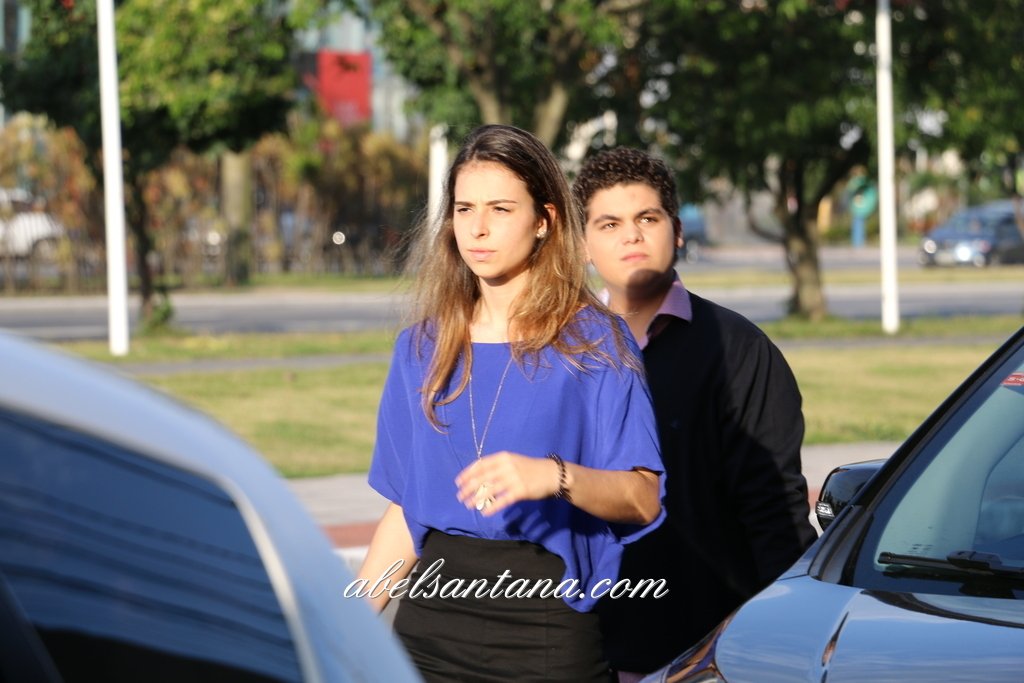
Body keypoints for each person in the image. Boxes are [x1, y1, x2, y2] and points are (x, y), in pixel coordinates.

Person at [356, 125, 665, 683]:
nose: (477, 228)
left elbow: (643, 498)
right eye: (464, 209)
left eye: (500, 209)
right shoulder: (420, 347)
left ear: (544, 220)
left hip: (544, 631)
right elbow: (406, 509)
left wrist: (555, 477)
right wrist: (345, 628)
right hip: (428, 631)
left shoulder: (595, 343)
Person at [572, 147, 818, 680]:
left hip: (704, 654)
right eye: (609, 224)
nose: (631, 236)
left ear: (678, 231)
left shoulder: (739, 350)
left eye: (647, 219)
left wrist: (784, 643)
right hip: (582, 650)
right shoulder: (563, 353)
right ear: (584, 246)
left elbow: (773, 511)